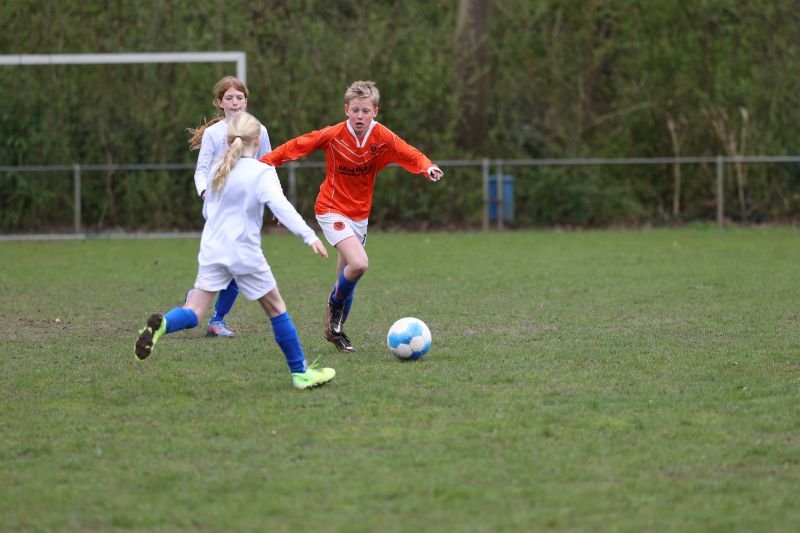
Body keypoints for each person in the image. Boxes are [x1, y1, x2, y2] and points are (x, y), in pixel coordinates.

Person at [137, 111, 335, 390]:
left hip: (212, 250)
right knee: (277, 309)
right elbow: (281, 208)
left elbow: (208, 212)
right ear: (258, 141)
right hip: (243, 252)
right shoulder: (261, 172)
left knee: (194, 311)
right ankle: (301, 374)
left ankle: (163, 326)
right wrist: (309, 236)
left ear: (228, 141)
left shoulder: (219, 169)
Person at [260, 80, 444, 353]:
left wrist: (427, 167)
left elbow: (409, 152)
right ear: (346, 109)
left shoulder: (382, 136)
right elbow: (298, 145)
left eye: (365, 111)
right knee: (359, 264)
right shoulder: (333, 134)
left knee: (347, 279)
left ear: (375, 112)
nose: (360, 116)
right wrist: (263, 163)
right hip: (331, 209)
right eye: (355, 110)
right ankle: (333, 306)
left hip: (360, 216)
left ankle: (335, 331)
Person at [186, 75, 273, 338]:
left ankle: (202, 303)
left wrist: (273, 200)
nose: (235, 102)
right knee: (236, 264)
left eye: (239, 97)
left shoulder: (259, 130)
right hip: (219, 208)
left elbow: (267, 165)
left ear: (246, 101)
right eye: (229, 98)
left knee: (234, 265)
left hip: (247, 208)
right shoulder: (213, 134)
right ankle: (215, 318)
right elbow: (201, 170)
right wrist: (205, 192)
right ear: (219, 103)